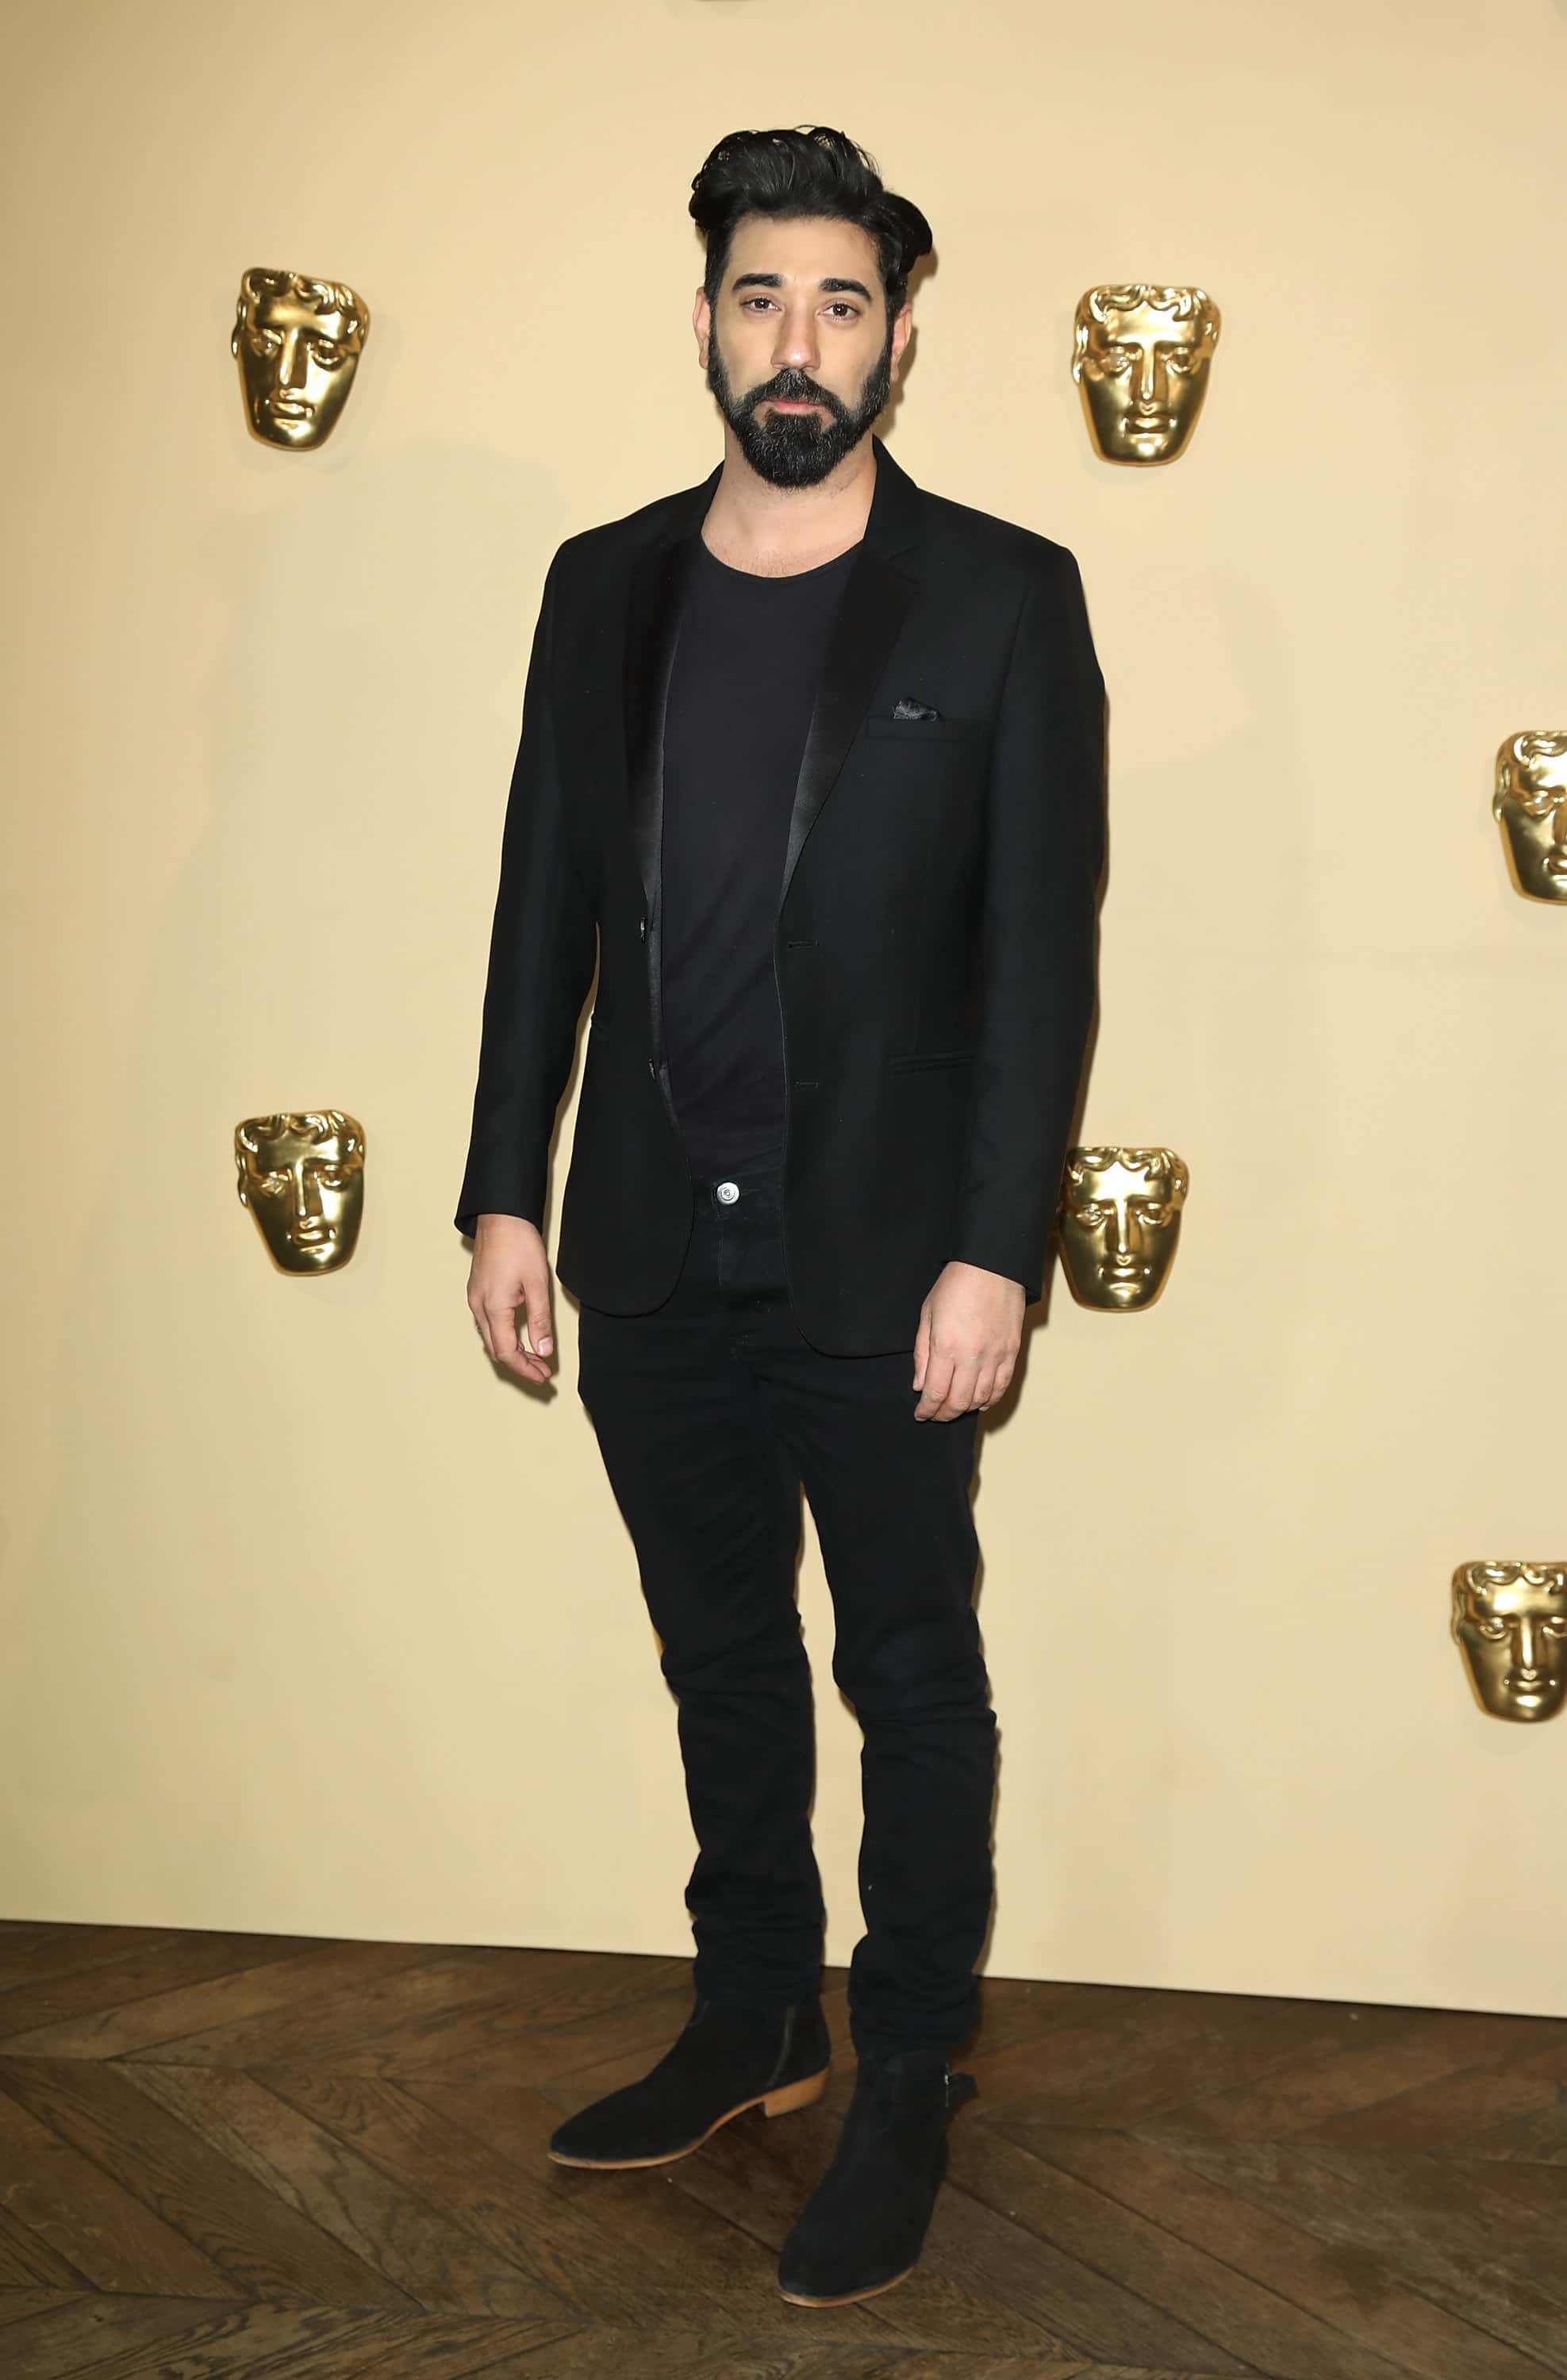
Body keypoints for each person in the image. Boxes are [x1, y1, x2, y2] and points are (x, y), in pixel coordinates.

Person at [456, 124, 1105, 2309]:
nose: (798, 340)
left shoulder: (1003, 597)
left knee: (910, 1673)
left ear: (900, 336)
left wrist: (997, 1248)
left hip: (890, 1260)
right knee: (717, 1657)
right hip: (650, 1243)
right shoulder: (600, 584)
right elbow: (542, 909)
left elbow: (1040, 963)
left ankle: (908, 2064)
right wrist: (503, 1190)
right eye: (762, 297)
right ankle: (754, 2019)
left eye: (840, 300)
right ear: (709, 323)